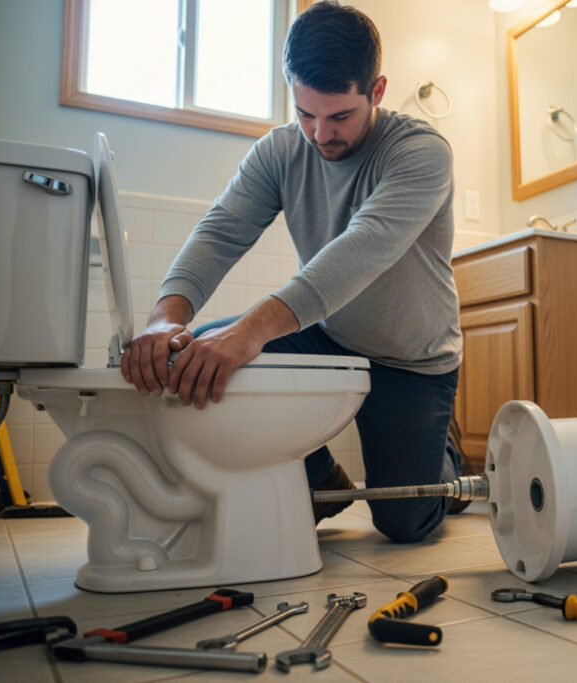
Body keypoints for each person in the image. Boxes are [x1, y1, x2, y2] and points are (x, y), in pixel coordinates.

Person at [120, 1, 465, 543]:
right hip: (332, 339)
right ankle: (320, 478)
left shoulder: (420, 153)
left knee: (404, 524)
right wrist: (166, 318)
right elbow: (220, 232)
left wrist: (251, 331)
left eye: (339, 116)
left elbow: (363, 249)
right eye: (305, 113)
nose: (319, 133)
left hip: (413, 361)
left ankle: (442, 452)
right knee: (201, 354)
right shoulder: (279, 151)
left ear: (376, 91)